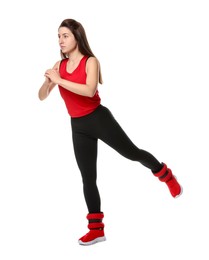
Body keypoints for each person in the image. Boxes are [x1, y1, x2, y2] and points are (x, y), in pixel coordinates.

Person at [38, 18, 183, 246]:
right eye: (58, 36)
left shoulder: (91, 61)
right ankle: (96, 230)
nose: (60, 40)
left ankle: (166, 174)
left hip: (99, 119)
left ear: (77, 37)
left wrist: (59, 80)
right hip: (78, 126)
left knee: (133, 153)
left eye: (65, 35)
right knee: (88, 178)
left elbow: (89, 90)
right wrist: (49, 82)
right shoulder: (59, 66)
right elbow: (41, 96)